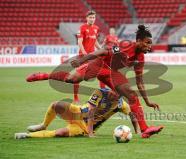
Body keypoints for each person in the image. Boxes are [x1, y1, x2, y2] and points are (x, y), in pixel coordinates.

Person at [26, 25, 164, 138]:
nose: (149, 47)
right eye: (147, 43)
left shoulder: (140, 58)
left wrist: (147, 102)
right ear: (138, 41)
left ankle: (145, 130)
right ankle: (45, 75)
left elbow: (140, 82)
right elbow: (103, 51)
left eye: (150, 44)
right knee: (71, 79)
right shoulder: (124, 46)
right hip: (98, 65)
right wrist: (82, 60)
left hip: (111, 73)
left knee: (132, 95)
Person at [15, 88, 139, 139]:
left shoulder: (121, 105)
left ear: (120, 96)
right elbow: (91, 111)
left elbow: (132, 116)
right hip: (78, 112)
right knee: (56, 105)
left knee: (60, 133)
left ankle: (27, 136)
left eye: (116, 93)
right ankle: (43, 125)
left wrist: (137, 131)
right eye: (112, 90)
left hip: (83, 127)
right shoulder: (100, 92)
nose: (112, 93)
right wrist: (91, 134)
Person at [74, 10, 101, 103]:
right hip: (83, 56)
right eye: (90, 17)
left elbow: (95, 40)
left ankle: (102, 95)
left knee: (100, 73)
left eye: (93, 17)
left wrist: (101, 49)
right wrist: (85, 53)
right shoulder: (82, 28)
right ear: (87, 18)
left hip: (92, 56)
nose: (92, 19)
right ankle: (76, 97)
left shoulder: (96, 28)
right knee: (77, 78)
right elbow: (79, 42)